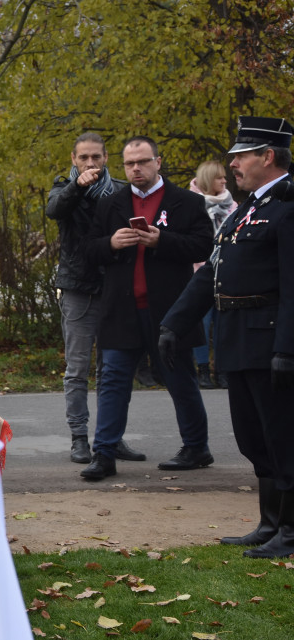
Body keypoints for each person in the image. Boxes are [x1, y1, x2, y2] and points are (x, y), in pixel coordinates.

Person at [161, 116, 294, 558]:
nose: (233, 164)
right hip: (237, 338)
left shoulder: (288, 206)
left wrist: (287, 348)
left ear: (267, 157)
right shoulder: (245, 209)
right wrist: (174, 324)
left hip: (271, 340)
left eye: (241, 156)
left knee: (282, 437)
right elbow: (210, 276)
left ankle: (290, 531)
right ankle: (270, 523)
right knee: (253, 437)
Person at [80, 136, 213, 480]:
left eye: (142, 161)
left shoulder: (186, 202)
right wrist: (110, 243)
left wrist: (162, 240)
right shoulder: (111, 203)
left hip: (170, 311)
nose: (136, 169)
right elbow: (89, 251)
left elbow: (203, 246)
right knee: (113, 381)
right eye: (129, 164)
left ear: (158, 161)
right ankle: (104, 454)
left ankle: (196, 447)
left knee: (181, 379)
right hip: (122, 309)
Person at [46, 132, 144, 465]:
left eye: (97, 158)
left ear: (106, 159)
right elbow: (54, 210)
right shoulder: (63, 189)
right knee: (77, 370)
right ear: (74, 159)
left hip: (114, 289)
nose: (91, 163)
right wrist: (78, 186)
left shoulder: (119, 190)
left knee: (112, 369)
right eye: (84, 158)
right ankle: (78, 438)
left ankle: (110, 438)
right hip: (77, 289)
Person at [188, 160, 237, 389]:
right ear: (209, 180)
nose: (225, 181)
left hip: (226, 273)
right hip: (199, 272)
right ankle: (202, 371)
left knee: (223, 324)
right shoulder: (192, 204)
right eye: (220, 177)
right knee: (201, 323)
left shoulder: (232, 206)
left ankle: (222, 369)